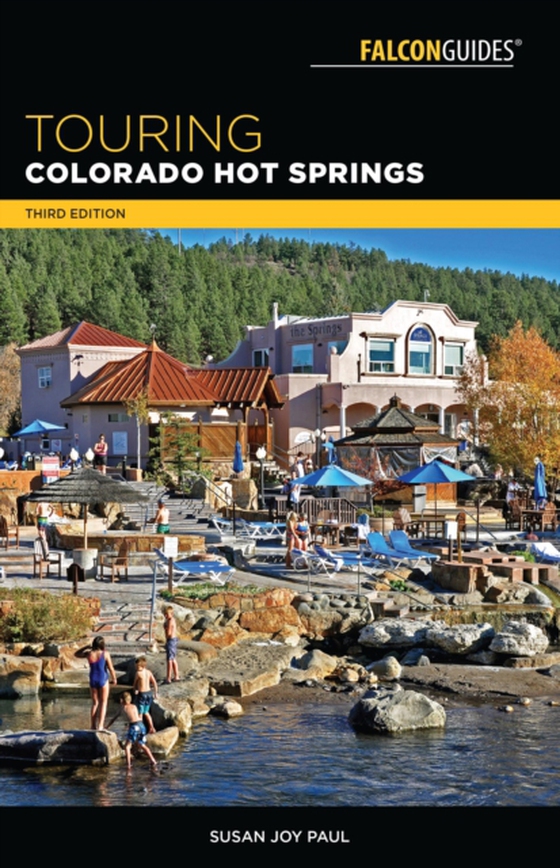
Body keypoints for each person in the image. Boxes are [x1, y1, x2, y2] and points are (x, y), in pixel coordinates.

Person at [106, 692, 157, 771]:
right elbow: (137, 717)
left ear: (121, 700)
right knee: (142, 744)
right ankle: (153, 760)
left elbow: (113, 719)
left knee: (127, 746)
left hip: (134, 726)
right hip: (141, 725)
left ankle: (129, 765)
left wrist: (107, 727)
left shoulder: (123, 708)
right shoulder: (134, 706)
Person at [86, 636, 117, 731]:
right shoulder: (105, 654)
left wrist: (86, 647)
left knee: (95, 703)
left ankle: (92, 725)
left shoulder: (89, 654)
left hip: (93, 679)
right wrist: (114, 678)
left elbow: (76, 654)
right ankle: (100, 725)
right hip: (102, 679)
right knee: (103, 703)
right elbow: (111, 668)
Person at [133, 656, 158, 734]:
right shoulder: (148, 672)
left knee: (140, 713)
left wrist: (135, 690)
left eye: (137, 666)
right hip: (149, 694)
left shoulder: (138, 673)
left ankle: (140, 729)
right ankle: (151, 727)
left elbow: (134, 684)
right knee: (146, 712)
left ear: (142, 666)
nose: (136, 668)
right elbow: (154, 683)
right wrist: (155, 693)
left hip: (142, 694)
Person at [164, 606, 180, 683]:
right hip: (174, 640)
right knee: (173, 658)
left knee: (169, 659)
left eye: (167, 614)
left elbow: (169, 633)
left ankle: (168, 677)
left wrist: (166, 628)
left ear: (172, 614)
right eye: (165, 614)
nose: (166, 616)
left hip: (171, 640)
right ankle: (176, 676)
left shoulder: (170, 621)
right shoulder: (172, 620)